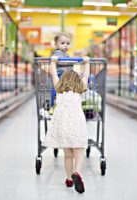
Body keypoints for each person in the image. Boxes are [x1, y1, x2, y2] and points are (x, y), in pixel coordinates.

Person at [43, 35, 90, 193]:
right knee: (79, 152)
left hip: (62, 125)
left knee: (68, 155)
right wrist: (86, 63)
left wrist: (53, 62)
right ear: (78, 80)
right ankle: (78, 173)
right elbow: (86, 75)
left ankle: (69, 179)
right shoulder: (80, 88)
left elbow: (53, 73)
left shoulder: (59, 88)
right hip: (77, 124)